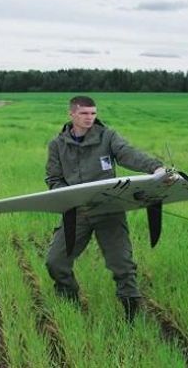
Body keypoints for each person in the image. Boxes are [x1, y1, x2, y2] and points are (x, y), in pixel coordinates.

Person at [44, 95, 168, 321]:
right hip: (77, 213)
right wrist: (69, 195)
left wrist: (156, 168)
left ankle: (132, 314)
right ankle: (70, 302)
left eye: (93, 113)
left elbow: (128, 154)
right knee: (55, 262)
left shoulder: (107, 137)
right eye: (84, 113)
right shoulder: (57, 145)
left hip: (109, 210)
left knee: (122, 265)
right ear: (71, 114)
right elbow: (53, 178)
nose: (89, 117)